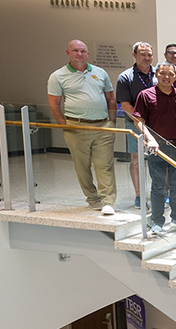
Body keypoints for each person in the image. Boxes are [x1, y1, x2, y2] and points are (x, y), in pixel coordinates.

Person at [47, 39, 118, 215]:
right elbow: (54, 104)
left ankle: (108, 200)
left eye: (83, 51)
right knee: (82, 167)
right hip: (76, 127)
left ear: (87, 53)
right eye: (75, 51)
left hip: (102, 126)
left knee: (105, 165)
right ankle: (93, 199)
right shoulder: (58, 76)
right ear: (68, 53)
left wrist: (112, 122)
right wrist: (65, 125)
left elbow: (110, 98)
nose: (80, 54)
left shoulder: (100, 73)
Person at [134, 60, 176, 233]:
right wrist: (150, 139)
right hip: (157, 148)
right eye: (163, 73)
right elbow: (139, 122)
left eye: (170, 74)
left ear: (175, 77)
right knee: (158, 185)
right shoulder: (146, 95)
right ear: (156, 74)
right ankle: (157, 221)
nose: (166, 77)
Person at [115, 41, 154, 208]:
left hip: (158, 125)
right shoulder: (125, 77)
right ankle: (139, 194)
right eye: (142, 54)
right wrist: (141, 122)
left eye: (149, 55)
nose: (146, 58)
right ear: (134, 55)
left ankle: (160, 192)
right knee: (136, 159)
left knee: (160, 159)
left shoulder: (159, 75)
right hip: (135, 124)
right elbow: (125, 105)